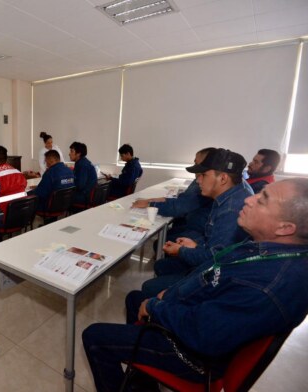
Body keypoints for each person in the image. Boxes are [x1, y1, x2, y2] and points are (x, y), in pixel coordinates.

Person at [82, 178, 308, 392]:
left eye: (262, 199)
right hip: (200, 313)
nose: (249, 199)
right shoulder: (265, 249)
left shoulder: (267, 285)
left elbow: (203, 332)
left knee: (95, 337)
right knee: (134, 298)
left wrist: (156, 307)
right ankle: (142, 378)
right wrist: (170, 293)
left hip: (196, 355)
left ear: (285, 227)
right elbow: (213, 270)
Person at [143, 148, 252, 295]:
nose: (198, 180)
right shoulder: (235, 191)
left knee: (147, 287)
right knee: (162, 265)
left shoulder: (231, 210)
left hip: (216, 278)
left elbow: (214, 260)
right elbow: (218, 247)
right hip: (215, 262)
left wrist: (181, 251)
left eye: (204, 175)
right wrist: (196, 246)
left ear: (223, 178)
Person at [132, 147, 216, 244]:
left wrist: (150, 204)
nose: (195, 167)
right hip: (191, 223)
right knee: (164, 237)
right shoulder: (200, 181)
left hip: (195, 230)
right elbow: (182, 199)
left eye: (197, 163)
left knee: (160, 243)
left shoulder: (204, 185)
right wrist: (150, 200)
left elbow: (179, 207)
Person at [69, 141, 97, 206]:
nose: (69, 153)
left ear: (78, 153)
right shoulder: (83, 162)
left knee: (61, 196)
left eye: (71, 151)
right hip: (86, 194)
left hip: (84, 196)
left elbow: (80, 186)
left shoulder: (82, 165)